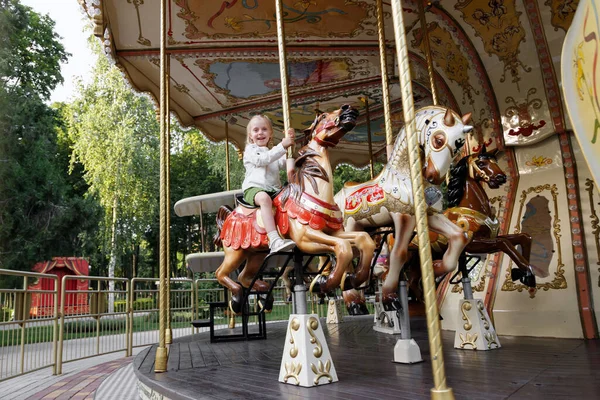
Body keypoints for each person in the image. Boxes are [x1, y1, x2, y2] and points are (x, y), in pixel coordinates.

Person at [242, 114, 296, 253]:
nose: (260, 133)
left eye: (264, 129)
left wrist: (291, 146)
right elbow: (263, 160)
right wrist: (282, 146)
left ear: (270, 133)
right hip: (254, 189)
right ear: (250, 135)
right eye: (256, 130)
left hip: (274, 190)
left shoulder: (273, 152)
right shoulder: (250, 151)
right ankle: (274, 240)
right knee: (264, 199)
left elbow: (285, 163)